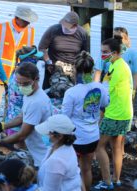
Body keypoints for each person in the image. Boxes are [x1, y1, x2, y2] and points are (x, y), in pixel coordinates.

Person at [0, 62, 52, 167]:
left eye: (25, 83)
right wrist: (3, 125)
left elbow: (22, 135)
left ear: (36, 79)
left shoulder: (37, 102)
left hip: (41, 155)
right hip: (34, 150)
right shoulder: (29, 94)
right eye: (18, 83)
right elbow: (22, 116)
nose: (21, 86)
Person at [62, 51, 109, 190]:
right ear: (92, 69)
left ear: (75, 70)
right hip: (93, 136)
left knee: (72, 171)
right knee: (86, 169)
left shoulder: (71, 92)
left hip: (76, 138)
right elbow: (105, 104)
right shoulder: (99, 87)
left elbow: (65, 116)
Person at [94, 36, 133, 190]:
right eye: (101, 51)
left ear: (116, 52)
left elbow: (104, 91)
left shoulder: (117, 68)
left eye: (105, 52)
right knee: (117, 147)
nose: (102, 55)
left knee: (99, 146)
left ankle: (106, 182)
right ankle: (116, 180)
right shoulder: (118, 64)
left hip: (114, 114)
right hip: (125, 113)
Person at [0, 5, 38, 119]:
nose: (28, 23)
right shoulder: (0, 28)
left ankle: (6, 130)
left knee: (12, 107)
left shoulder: (30, 32)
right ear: (17, 18)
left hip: (18, 78)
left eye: (29, 21)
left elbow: (29, 55)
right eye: (26, 21)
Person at [39, 11, 88, 91]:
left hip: (72, 69)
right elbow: (42, 48)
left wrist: (80, 69)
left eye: (67, 26)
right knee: (50, 94)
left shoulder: (82, 33)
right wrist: (48, 62)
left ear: (75, 26)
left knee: (70, 94)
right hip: (53, 67)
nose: (64, 27)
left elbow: (84, 54)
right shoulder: (53, 30)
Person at [35, 114, 82, 191]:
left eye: (49, 132)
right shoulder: (63, 147)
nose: (46, 134)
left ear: (59, 136)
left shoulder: (57, 161)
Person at [5, 46, 44, 136]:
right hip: (18, 123)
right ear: (28, 60)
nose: (38, 60)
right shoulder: (22, 80)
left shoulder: (17, 72)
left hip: (11, 119)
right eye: (35, 58)